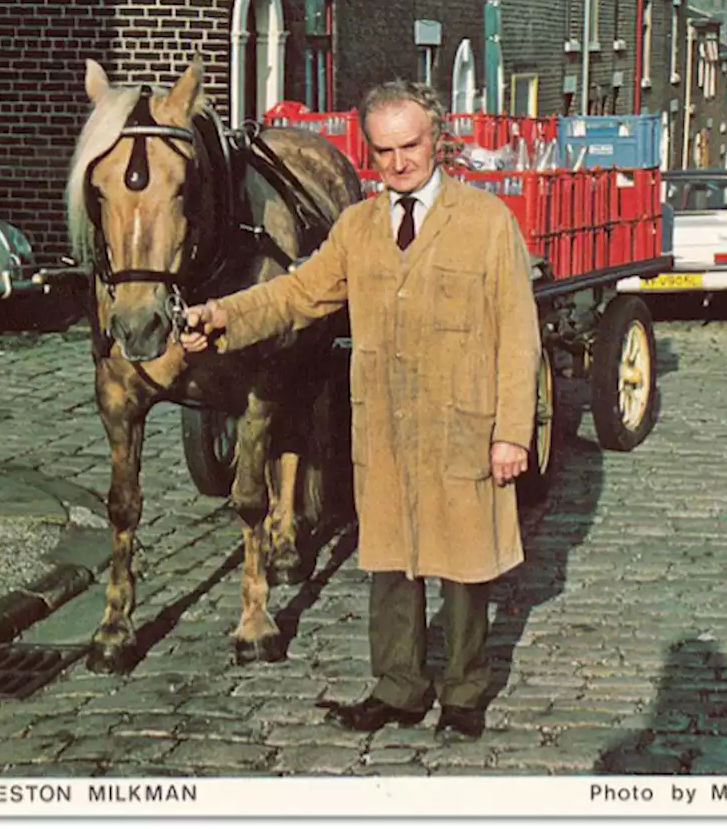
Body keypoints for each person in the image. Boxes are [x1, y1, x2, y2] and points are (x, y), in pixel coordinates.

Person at [181, 80, 540, 741]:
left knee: (465, 566)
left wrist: (512, 434)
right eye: (384, 151)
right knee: (391, 561)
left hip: (463, 422)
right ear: (370, 154)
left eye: (411, 145)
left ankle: (463, 694)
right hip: (387, 426)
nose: (399, 162)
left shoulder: (488, 224)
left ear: (438, 140)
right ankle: (399, 687)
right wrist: (221, 314)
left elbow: (521, 335)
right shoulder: (359, 228)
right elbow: (295, 294)